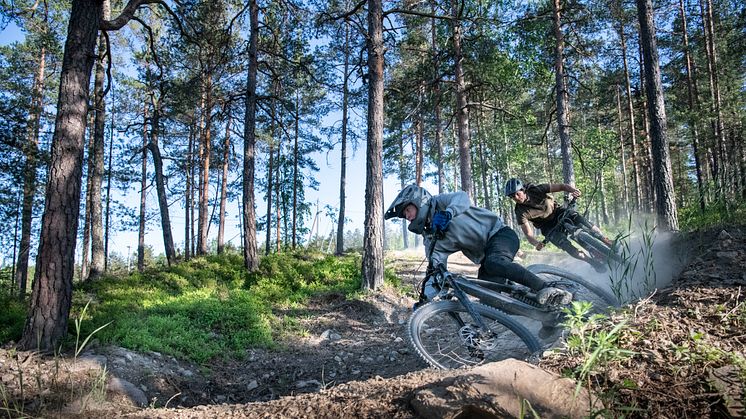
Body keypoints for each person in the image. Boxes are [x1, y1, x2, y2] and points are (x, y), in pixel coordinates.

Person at [384, 184, 572, 307]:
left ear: (419, 201)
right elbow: (435, 265)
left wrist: (449, 213)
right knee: (490, 298)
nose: (407, 217)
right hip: (487, 257)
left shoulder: (439, 203)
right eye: (404, 215)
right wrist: (425, 298)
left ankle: (545, 287)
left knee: (494, 262)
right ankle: (544, 316)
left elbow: (462, 198)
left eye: (407, 210)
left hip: (500, 235)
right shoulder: (431, 236)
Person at [504, 178, 612, 272]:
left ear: (523, 190)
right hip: (547, 227)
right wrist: (536, 243)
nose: (516, 198)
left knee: (580, 220)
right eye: (513, 197)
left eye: (517, 194)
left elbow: (561, 186)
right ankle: (592, 262)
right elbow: (528, 234)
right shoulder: (520, 212)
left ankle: (605, 240)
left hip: (558, 212)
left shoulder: (536, 189)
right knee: (566, 246)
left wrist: (574, 191)